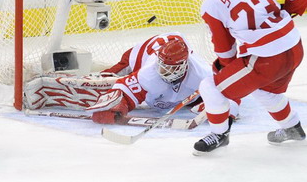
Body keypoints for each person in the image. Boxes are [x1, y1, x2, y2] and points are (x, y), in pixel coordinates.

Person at [193, 0, 307, 155]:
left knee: (210, 87)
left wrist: (225, 68)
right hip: (294, 46)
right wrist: (290, 12)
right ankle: (292, 127)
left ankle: (220, 134)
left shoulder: (212, 3)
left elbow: (225, 47)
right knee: (266, 90)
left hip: (266, 60)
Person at [86, 32, 240, 124]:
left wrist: (224, 109)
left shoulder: (201, 74)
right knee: (108, 77)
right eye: (162, 66)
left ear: (183, 66)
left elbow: (231, 91)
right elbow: (125, 88)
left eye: (170, 68)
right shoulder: (149, 72)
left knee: (206, 95)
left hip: (175, 51)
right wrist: (118, 106)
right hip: (141, 54)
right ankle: (88, 79)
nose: (162, 71)